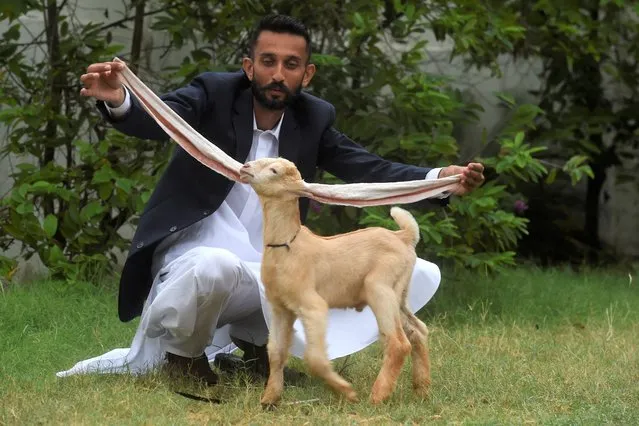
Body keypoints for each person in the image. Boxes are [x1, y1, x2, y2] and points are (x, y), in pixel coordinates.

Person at [58, 14, 484, 386]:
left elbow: (366, 168)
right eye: (268, 62)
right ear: (249, 67)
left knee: (338, 274)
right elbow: (163, 119)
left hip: (270, 264)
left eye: (291, 64)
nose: (279, 73)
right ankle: (182, 359)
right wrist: (120, 100)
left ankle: (258, 350)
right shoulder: (213, 93)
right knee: (214, 267)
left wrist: (437, 181)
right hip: (195, 251)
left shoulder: (314, 118)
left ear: (307, 74)